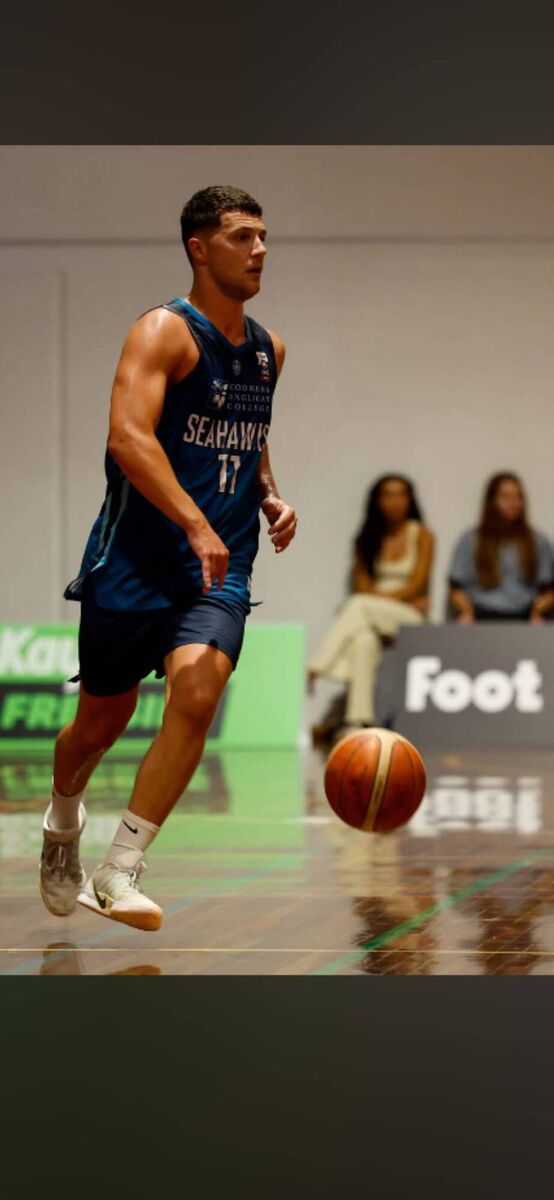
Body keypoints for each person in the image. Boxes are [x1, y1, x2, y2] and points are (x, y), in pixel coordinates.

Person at [39, 185, 297, 932]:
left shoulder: (267, 350)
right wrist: (191, 520)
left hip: (219, 568)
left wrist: (271, 495)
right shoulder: (162, 332)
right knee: (97, 726)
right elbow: (128, 436)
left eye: (263, 236)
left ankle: (119, 873)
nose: (260, 250)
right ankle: (62, 821)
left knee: (197, 693)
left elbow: (248, 429)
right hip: (134, 564)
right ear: (199, 247)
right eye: (243, 236)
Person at [308, 475, 434, 738]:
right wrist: (383, 598)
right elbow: (362, 584)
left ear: (410, 500)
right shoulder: (367, 538)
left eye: (401, 494)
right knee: (363, 640)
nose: (394, 501)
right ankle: (360, 722)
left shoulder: (422, 535)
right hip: (374, 614)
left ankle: (319, 665)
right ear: (376, 500)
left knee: (358, 605)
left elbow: (418, 583)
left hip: (407, 615)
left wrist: (383, 598)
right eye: (387, 494)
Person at [448, 472, 554, 622]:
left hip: (524, 616)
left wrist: (539, 610)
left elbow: (548, 590)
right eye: (505, 497)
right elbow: (455, 588)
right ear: (492, 501)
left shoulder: (538, 541)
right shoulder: (471, 540)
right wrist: (466, 611)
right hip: (481, 615)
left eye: (518, 497)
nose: (513, 503)